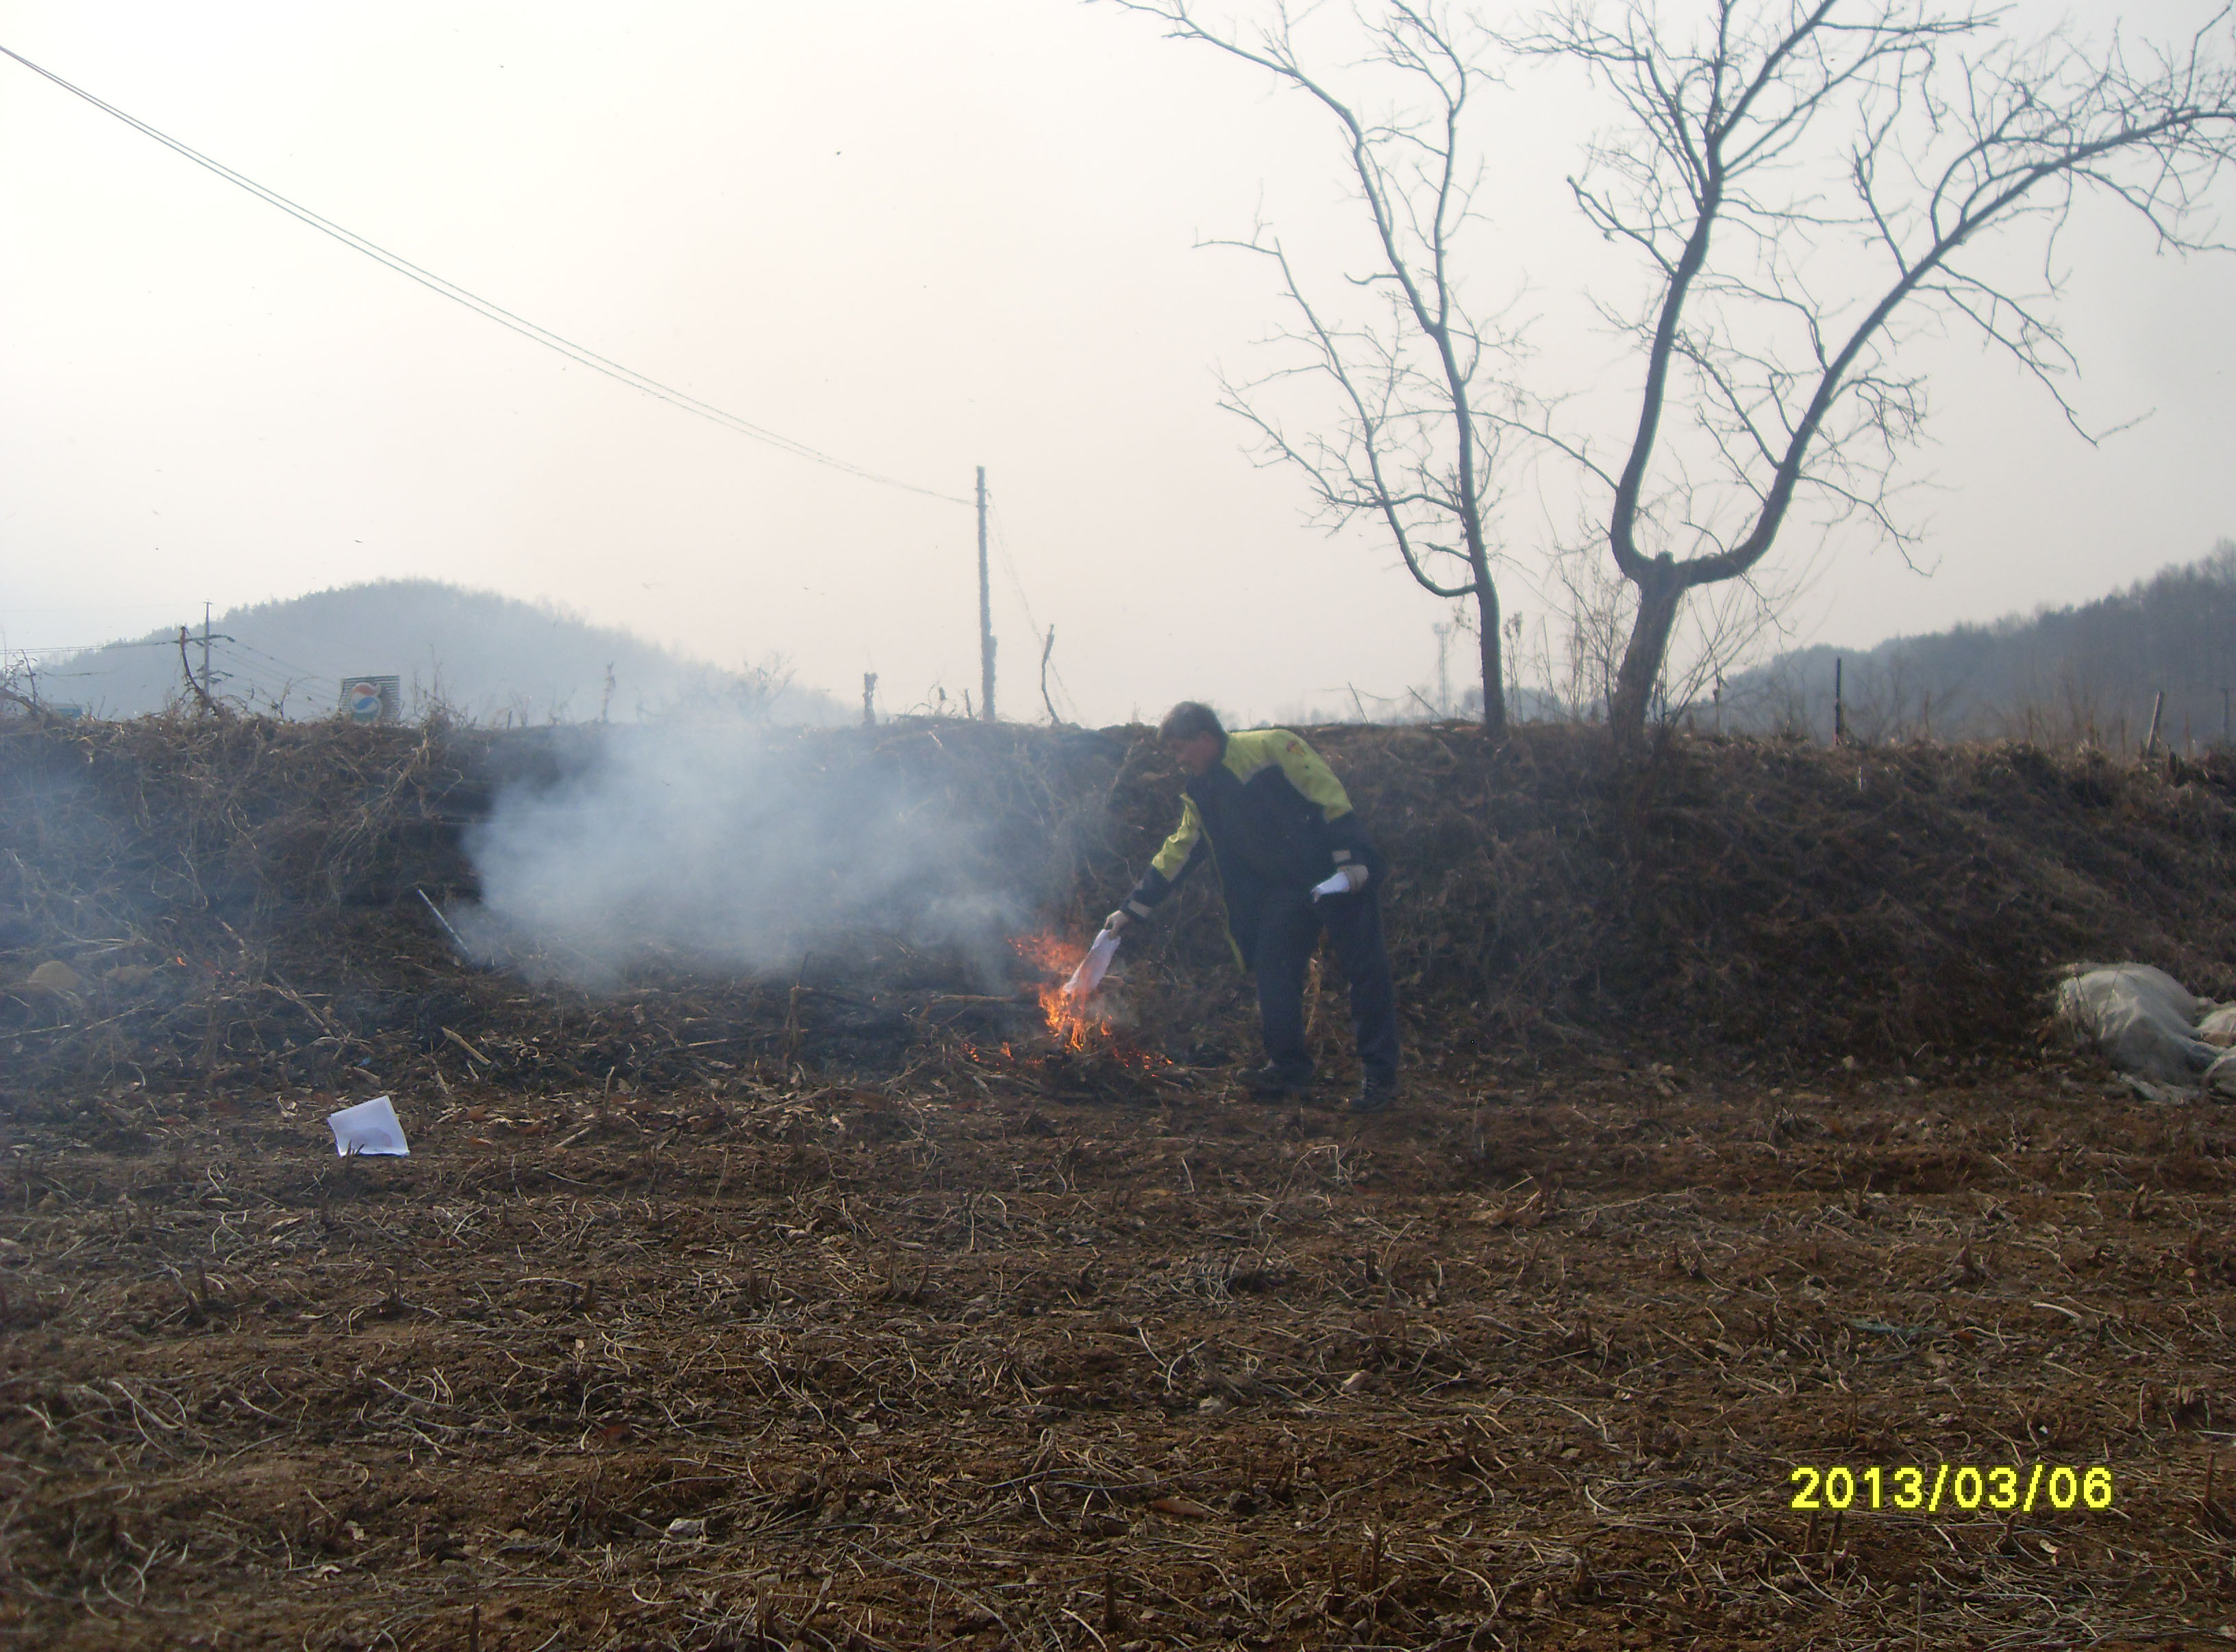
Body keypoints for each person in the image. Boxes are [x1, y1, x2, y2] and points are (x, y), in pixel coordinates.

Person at [1105, 702, 1401, 1113]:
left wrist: (1350, 856)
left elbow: (1327, 794)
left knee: (1364, 970)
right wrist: (1132, 908)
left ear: (1203, 739)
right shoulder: (1201, 792)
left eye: (1179, 748)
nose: (1178, 760)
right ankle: (1288, 1067)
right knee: (1272, 963)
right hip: (1288, 889)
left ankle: (1380, 1078)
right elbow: (1180, 850)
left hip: (1338, 873)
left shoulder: (1271, 747)